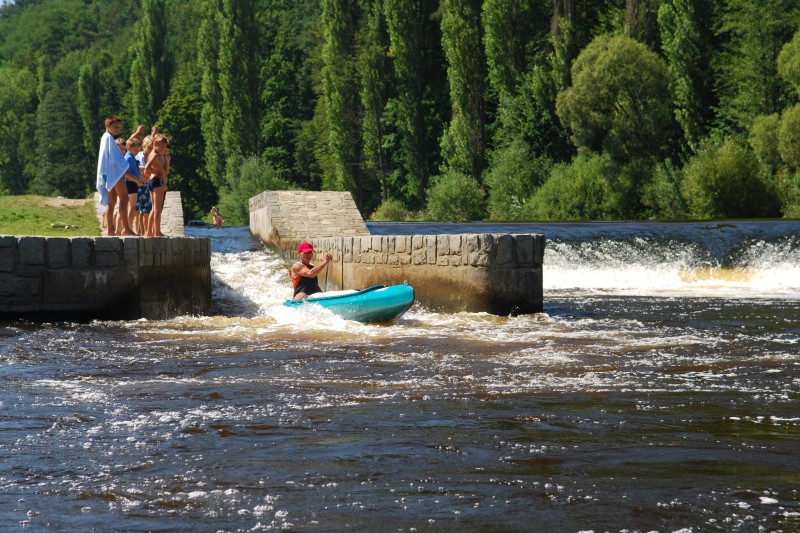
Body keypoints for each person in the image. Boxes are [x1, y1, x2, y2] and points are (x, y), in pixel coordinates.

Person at [96, 115, 138, 236]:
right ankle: (126, 228)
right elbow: (116, 160)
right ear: (107, 125)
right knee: (124, 198)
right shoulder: (109, 138)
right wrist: (125, 165)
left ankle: (111, 230)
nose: (117, 129)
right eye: (115, 127)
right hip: (114, 174)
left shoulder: (105, 138)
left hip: (108, 174)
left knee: (111, 202)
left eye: (119, 127)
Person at [143, 134, 170, 237]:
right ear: (155, 144)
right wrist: (155, 173)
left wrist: (166, 163)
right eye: (161, 147)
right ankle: (157, 232)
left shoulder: (154, 154)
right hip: (157, 182)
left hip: (154, 182)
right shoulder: (154, 155)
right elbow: (146, 168)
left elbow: (164, 172)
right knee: (157, 209)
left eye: (164, 147)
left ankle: (149, 232)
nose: (163, 149)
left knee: (154, 209)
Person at [124, 137, 145, 234]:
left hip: (133, 183)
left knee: (133, 207)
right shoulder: (128, 157)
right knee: (132, 207)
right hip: (130, 183)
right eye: (136, 150)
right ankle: (128, 228)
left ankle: (129, 228)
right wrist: (137, 180)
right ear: (129, 147)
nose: (137, 152)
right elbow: (126, 172)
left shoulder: (132, 157)